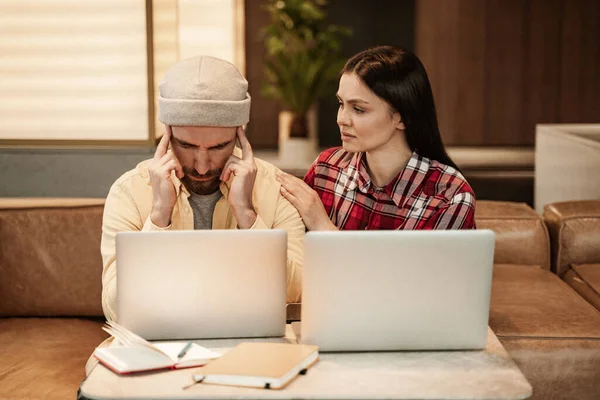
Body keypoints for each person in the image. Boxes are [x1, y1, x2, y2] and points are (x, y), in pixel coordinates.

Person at [100, 55, 305, 322]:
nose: (201, 166)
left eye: (219, 147)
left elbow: (298, 294)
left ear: (240, 135)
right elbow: (116, 309)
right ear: (167, 134)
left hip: (247, 342)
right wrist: (159, 216)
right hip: (158, 344)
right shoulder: (129, 190)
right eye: (186, 145)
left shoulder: (274, 188)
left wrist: (247, 215)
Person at [276, 45, 476, 231]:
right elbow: (292, 251)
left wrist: (323, 227)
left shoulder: (450, 197)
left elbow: (408, 270)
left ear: (402, 118)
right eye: (340, 104)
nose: (341, 119)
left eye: (358, 109)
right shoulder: (326, 169)